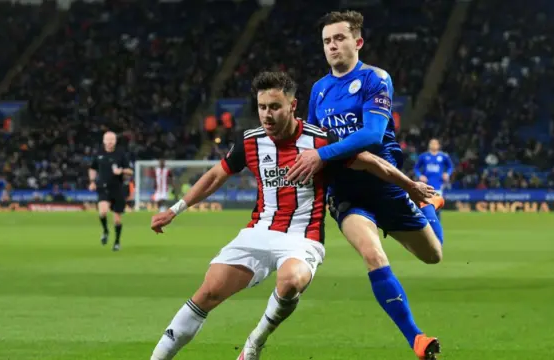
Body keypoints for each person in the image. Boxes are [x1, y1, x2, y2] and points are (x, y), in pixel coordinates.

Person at [148, 71, 435, 360]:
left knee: (290, 281)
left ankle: (254, 343)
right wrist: (175, 210)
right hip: (258, 232)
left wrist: (409, 186)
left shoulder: (321, 142)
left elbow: (370, 162)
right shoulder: (250, 141)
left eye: (275, 107)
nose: (267, 115)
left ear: (292, 106)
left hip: (302, 237)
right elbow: (215, 176)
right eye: (262, 108)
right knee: (207, 293)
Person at [286, 10, 444, 360]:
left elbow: (372, 136)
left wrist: (324, 156)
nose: (332, 46)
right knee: (373, 255)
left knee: (433, 255)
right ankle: (416, 339)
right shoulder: (319, 89)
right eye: (327, 41)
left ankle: (429, 206)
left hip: (385, 183)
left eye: (339, 38)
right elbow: (315, 141)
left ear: (357, 42)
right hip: (345, 192)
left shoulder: (375, 79)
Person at [88, 131, 133, 251]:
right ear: (103, 141)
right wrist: (92, 181)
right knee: (102, 212)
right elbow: (92, 168)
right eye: (107, 140)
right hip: (102, 187)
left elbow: (130, 171)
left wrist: (122, 171)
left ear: (115, 141)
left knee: (117, 219)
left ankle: (117, 242)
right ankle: (105, 231)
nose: (109, 142)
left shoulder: (121, 153)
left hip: (117, 189)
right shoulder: (98, 153)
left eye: (112, 140)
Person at [414, 139, 453, 218]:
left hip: (438, 185)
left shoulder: (443, 156)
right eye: (431, 143)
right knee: (425, 207)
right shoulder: (423, 156)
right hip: (426, 186)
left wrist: (447, 174)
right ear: (429, 145)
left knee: (437, 207)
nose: (433, 145)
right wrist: (420, 175)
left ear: (439, 145)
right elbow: (416, 168)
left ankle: (436, 227)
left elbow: (450, 167)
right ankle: (427, 227)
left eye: (435, 144)